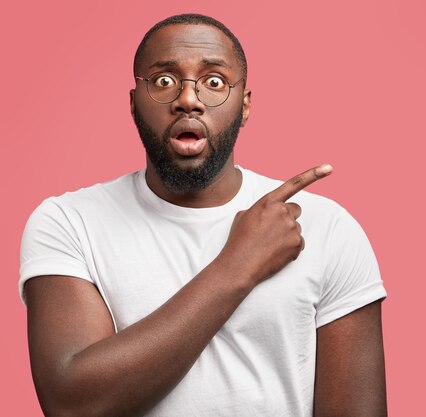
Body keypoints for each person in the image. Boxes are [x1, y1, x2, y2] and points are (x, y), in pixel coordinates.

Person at [20, 13, 387, 417]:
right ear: (132, 103)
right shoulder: (68, 223)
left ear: (244, 105)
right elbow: (73, 406)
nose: (188, 99)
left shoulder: (324, 226)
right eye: (163, 81)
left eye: (214, 82)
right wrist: (239, 264)